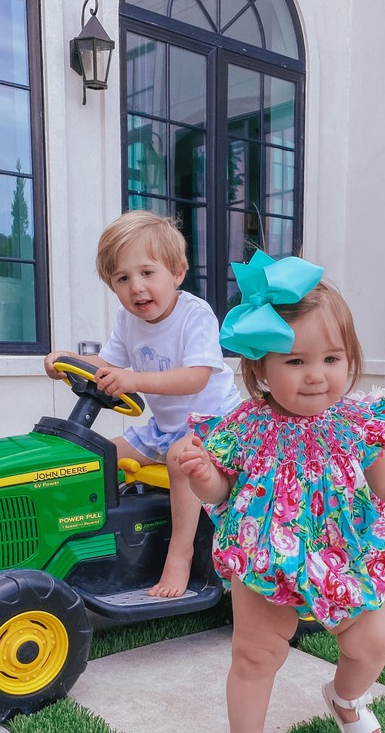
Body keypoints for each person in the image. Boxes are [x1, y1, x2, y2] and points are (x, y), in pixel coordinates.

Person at [179, 250, 385, 733]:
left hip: (341, 553)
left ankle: (345, 697)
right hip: (264, 552)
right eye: (295, 362)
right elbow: (221, 489)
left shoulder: (356, 423)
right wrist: (203, 476)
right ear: (260, 370)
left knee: (373, 640)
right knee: (255, 652)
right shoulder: (246, 426)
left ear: (350, 361)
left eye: (331, 360)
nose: (316, 376)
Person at [45, 210, 241, 598]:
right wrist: (68, 361)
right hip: (165, 429)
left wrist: (133, 380)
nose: (136, 287)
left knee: (180, 460)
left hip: (216, 426)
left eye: (147, 273)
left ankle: (180, 554)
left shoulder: (194, 315)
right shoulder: (127, 319)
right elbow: (109, 364)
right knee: (100, 456)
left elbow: (196, 376)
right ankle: (96, 545)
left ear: (177, 272)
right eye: (122, 278)